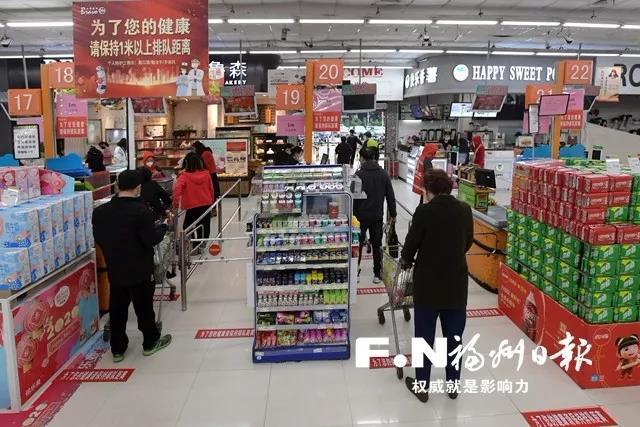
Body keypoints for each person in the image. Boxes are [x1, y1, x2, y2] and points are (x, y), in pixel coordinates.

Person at [400, 169, 473, 403]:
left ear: (428, 190)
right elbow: (468, 241)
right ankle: (453, 385)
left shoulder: (424, 212)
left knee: (424, 338)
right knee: (454, 338)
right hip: (456, 284)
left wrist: (406, 259)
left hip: (428, 285)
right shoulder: (464, 210)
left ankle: (423, 387)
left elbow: (410, 247)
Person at [92, 170, 172, 362]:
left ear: (117, 186)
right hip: (140, 267)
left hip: (115, 267)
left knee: (117, 308)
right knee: (144, 307)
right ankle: (150, 342)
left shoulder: (100, 212)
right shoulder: (141, 211)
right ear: (138, 188)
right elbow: (150, 239)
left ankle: (117, 349)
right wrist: (163, 227)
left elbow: (99, 238)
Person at [354, 147, 397, 284]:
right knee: (377, 245)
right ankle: (377, 274)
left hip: (360, 217)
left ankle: (355, 272)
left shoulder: (358, 174)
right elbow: (390, 196)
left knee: (357, 244)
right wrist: (393, 214)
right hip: (377, 216)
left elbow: (354, 196)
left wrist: (352, 214)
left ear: (362, 158)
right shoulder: (383, 174)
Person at [173, 152, 214, 250]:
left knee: (188, 226)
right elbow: (211, 189)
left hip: (191, 205)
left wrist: (175, 203)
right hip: (205, 203)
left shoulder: (184, 176)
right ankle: (201, 245)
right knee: (204, 225)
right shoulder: (206, 174)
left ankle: (192, 244)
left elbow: (177, 190)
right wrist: (212, 201)